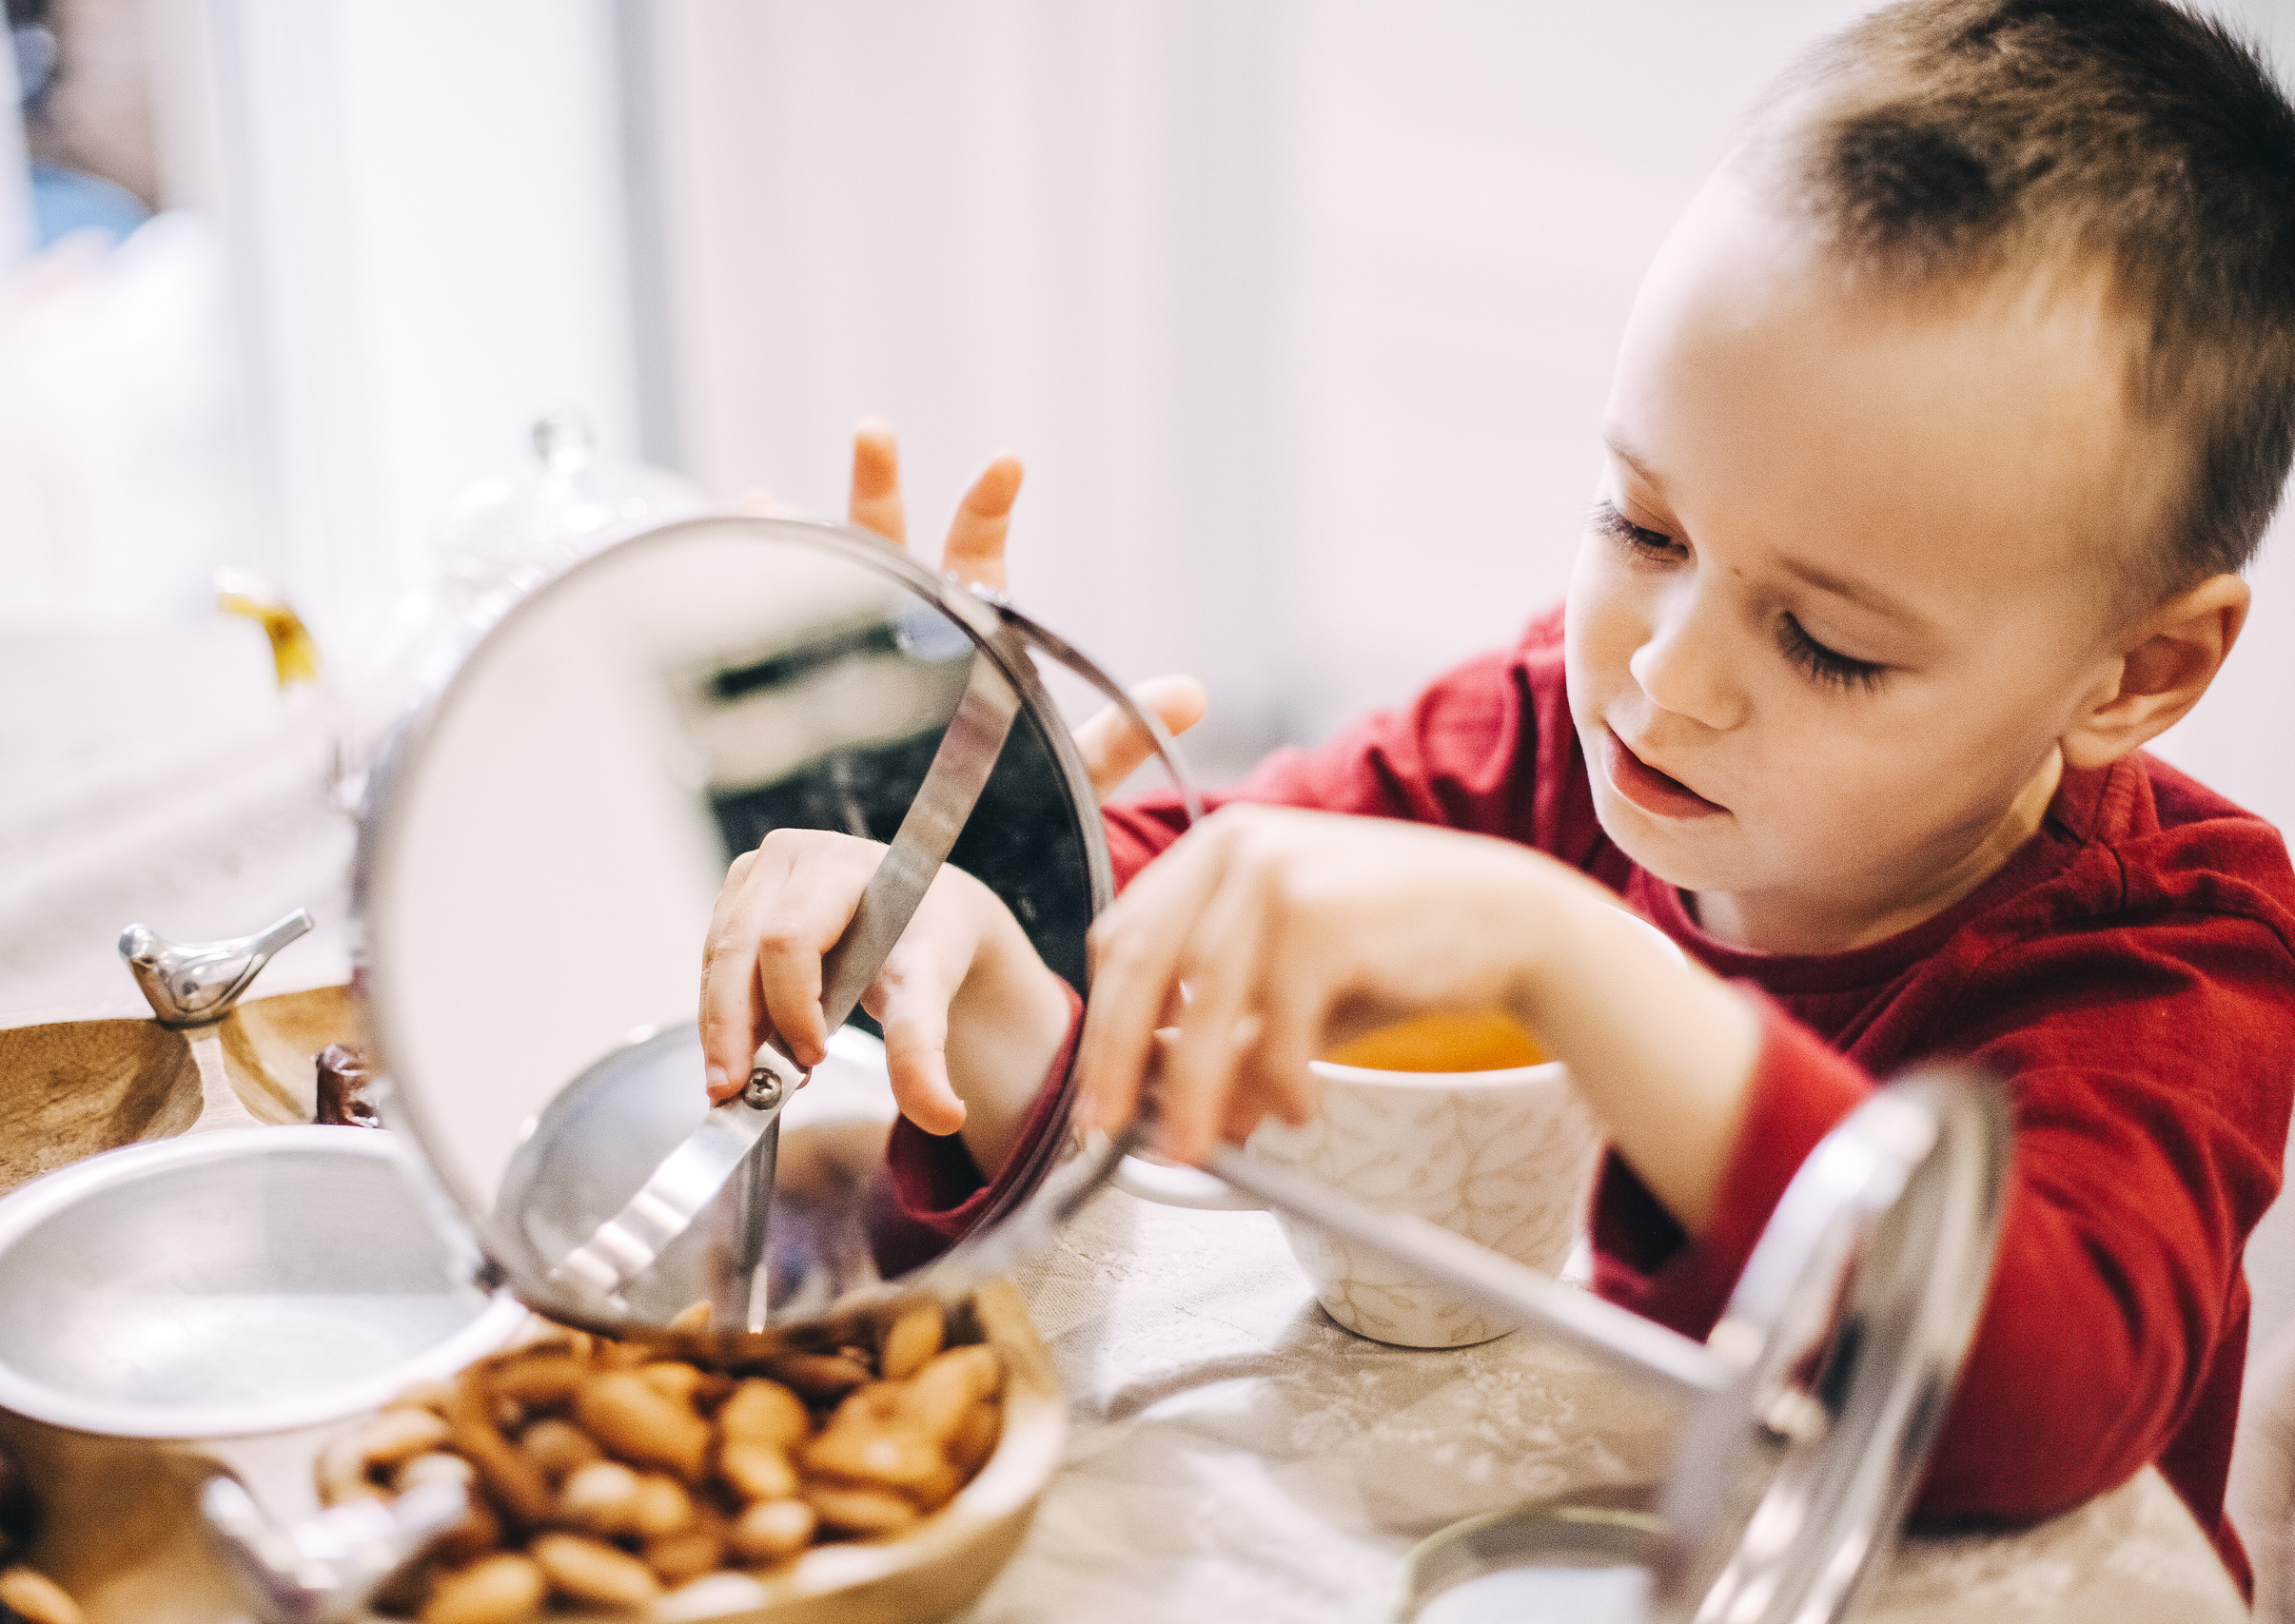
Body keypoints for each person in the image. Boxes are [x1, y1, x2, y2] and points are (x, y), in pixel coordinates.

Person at [697, 0, 2295, 1593]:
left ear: (2139, 674)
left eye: (1826, 643)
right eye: (1643, 528)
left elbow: (2021, 1400)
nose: (1666, 679)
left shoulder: (2180, 953)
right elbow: (1159, 933)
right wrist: (973, 896)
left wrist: (1567, 958)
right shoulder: (1537, 733)